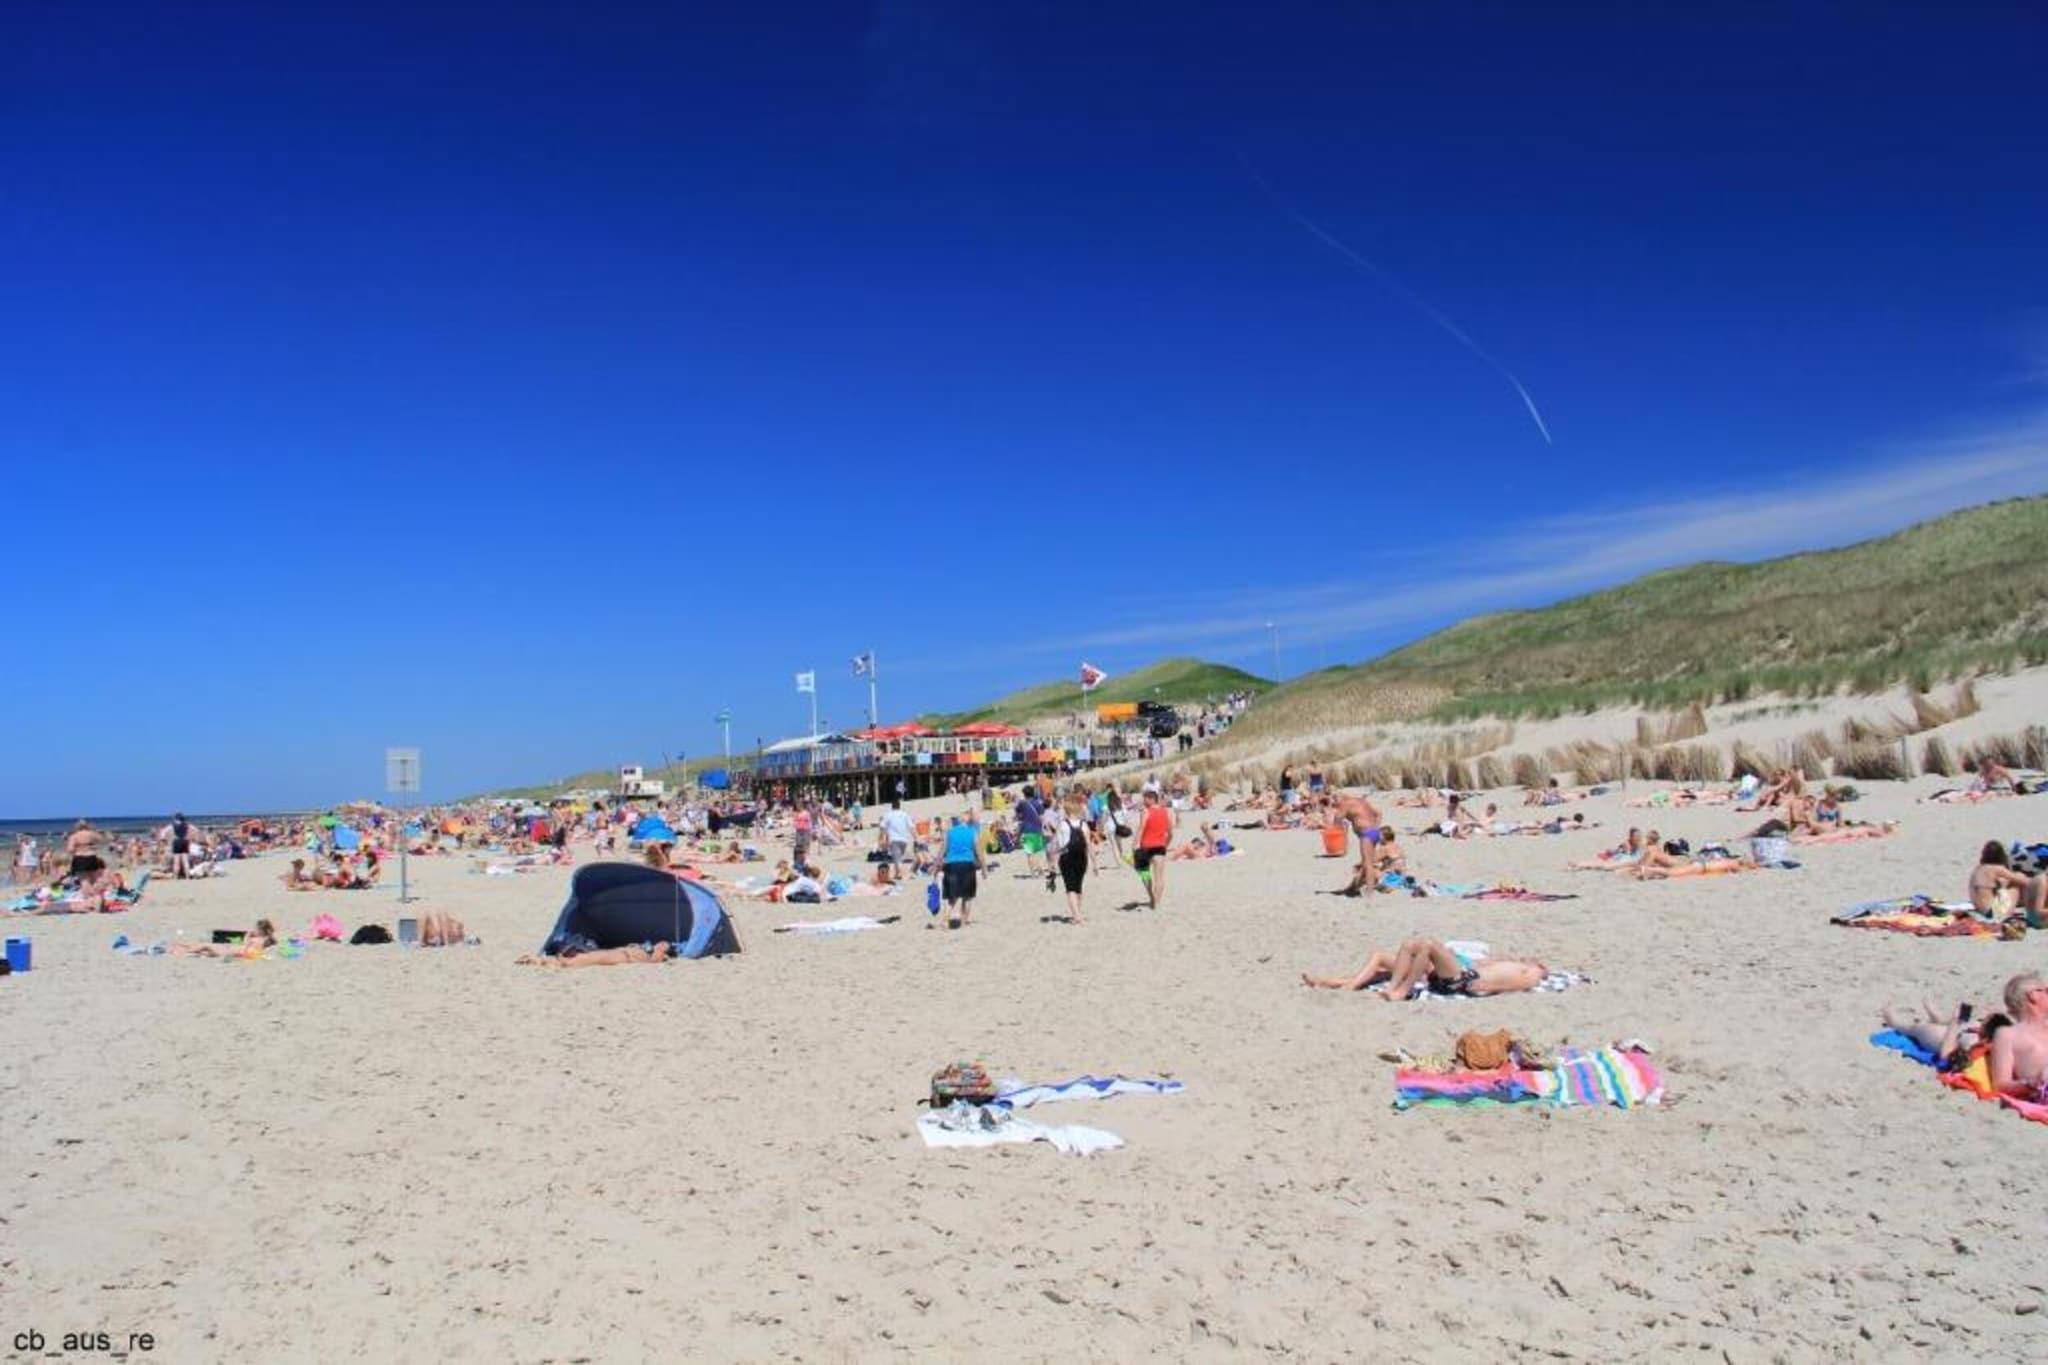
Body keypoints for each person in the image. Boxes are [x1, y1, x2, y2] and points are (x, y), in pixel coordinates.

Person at [1301, 938, 1550, 1000]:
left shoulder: (1531, 973)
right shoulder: (1510, 964)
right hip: (1455, 972)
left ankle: (1400, 991)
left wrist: (1486, 986)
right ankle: (1338, 983)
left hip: (1463, 980)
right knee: (1409, 946)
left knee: (1428, 945)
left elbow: (1509, 984)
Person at [1988, 973, 2048, 1098]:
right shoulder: (2007, 1034)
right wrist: (2032, 1083)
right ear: (2033, 995)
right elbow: (2000, 1085)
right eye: (2046, 991)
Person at [1969, 841, 2047, 920]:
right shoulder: (1997, 869)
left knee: (2007, 883)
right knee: (2017, 881)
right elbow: (2026, 881)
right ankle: (2034, 905)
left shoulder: (1978, 869)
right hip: (1994, 912)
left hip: (1981, 910)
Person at [940, 813, 986, 929]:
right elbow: (979, 851)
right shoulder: (972, 832)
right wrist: (984, 868)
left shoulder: (950, 832)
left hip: (951, 864)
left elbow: (943, 850)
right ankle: (963, 922)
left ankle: (945, 921)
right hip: (967, 864)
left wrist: (936, 866)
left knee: (951, 897)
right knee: (967, 896)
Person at [1050, 794, 1090, 924]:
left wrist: (1053, 863)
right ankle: (1077, 913)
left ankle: (1077, 916)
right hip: (1082, 858)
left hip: (1066, 858)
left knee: (1070, 888)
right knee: (1078, 886)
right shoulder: (1084, 824)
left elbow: (1057, 846)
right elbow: (1088, 845)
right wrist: (1095, 864)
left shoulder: (1062, 825)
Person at [1336, 794, 1386, 895]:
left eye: (1336, 802)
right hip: (1374, 832)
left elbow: (1338, 818)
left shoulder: (1346, 803)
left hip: (1366, 833)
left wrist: (1340, 824)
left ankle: (1369, 891)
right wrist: (1376, 827)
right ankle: (1353, 888)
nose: (1336, 804)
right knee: (1365, 863)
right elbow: (1378, 813)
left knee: (1368, 864)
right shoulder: (1361, 801)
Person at [1134, 787, 1174, 910]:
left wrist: (1135, 844)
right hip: (1160, 847)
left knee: (1144, 873)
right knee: (1159, 877)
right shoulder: (1166, 812)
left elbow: (1141, 828)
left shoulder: (1146, 812)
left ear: (1152, 799)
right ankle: (1156, 903)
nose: (1143, 801)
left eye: (1145, 799)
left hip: (1146, 846)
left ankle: (1152, 898)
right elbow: (1170, 833)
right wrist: (1166, 845)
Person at [171, 919, 279, 958]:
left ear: (261, 930)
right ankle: (183, 946)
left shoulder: (259, 940)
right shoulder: (264, 939)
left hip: (230, 952)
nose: (254, 930)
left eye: (256, 929)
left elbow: (245, 949)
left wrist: (247, 937)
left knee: (206, 946)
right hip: (230, 950)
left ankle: (183, 951)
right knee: (205, 950)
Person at [516, 942, 673, 968]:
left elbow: (658, 957)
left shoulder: (655, 956)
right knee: (583, 958)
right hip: (617, 954)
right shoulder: (647, 950)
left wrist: (662, 951)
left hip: (620, 956)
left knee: (577, 961)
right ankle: (539, 960)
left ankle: (538, 961)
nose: (661, 944)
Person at [880, 800, 914, 868]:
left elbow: (882, 827)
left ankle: (899, 872)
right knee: (899, 859)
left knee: (897, 860)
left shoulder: (888, 814)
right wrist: (916, 838)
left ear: (892, 807)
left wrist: (883, 839)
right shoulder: (905, 814)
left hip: (894, 839)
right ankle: (897, 872)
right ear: (899, 806)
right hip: (904, 840)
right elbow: (911, 827)